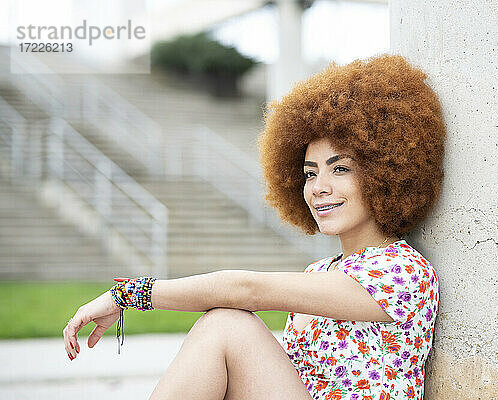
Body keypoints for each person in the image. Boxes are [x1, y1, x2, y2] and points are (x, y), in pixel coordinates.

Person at [63, 53, 446, 400]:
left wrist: (126, 295)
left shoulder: (403, 271)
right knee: (226, 327)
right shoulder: (320, 272)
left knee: (228, 324)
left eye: (340, 169)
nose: (319, 188)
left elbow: (243, 290)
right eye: (309, 174)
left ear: (386, 173)